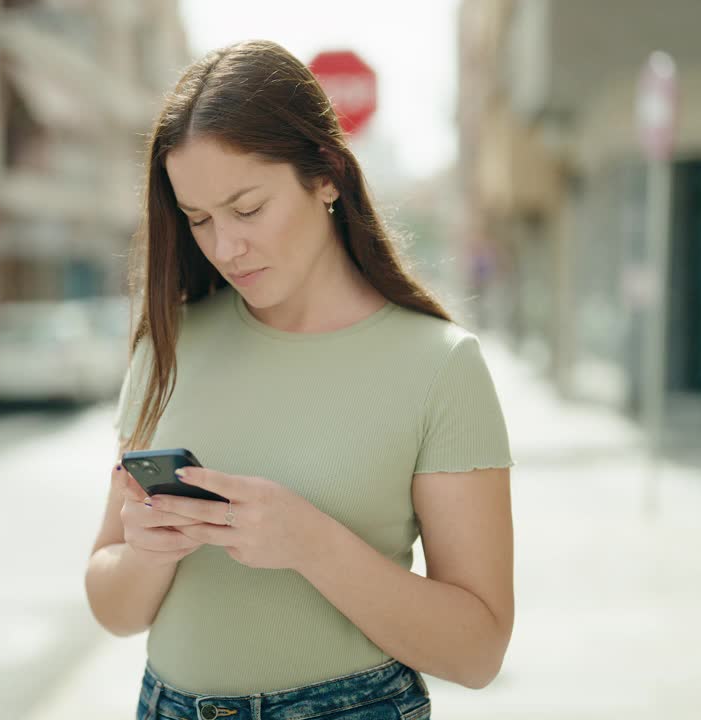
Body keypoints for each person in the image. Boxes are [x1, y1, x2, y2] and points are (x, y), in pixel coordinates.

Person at [85, 39, 515, 720]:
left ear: (328, 176)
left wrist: (310, 544)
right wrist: (146, 553)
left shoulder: (440, 365)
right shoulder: (170, 341)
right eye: (198, 220)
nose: (225, 247)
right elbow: (112, 607)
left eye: (248, 208)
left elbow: (479, 651)